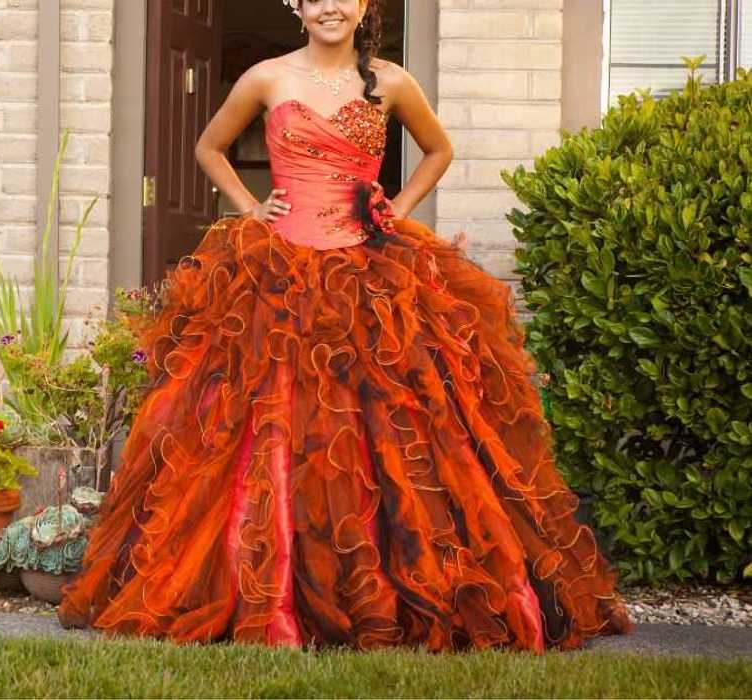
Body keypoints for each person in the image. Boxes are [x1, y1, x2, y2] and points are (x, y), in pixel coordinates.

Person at [56, 0, 634, 653]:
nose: (330, 5)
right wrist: (250, 208)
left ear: (363, 6)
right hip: (277, 277)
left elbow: (438, 149)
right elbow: (209, 146)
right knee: (268, 426)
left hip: (369, 269)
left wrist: (397, 209)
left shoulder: (389, 81)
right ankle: (270, 593)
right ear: (294, 6)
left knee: (393, 426)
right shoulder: (266, 77)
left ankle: (386, 588)